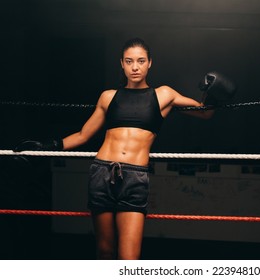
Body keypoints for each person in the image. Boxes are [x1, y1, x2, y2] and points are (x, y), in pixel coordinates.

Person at [14, 37, 236, 259]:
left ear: (150, 63)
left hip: (134, 177)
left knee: (129, 258)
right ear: (121, 63)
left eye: (140, 61)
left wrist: (212, 94)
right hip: (101, 173)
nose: (135, 67)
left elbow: (205, 112)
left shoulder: (164, 94)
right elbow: (83, 135)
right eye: (129, 61)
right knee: (104, 250)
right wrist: (45, 147)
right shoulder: (108, 96)